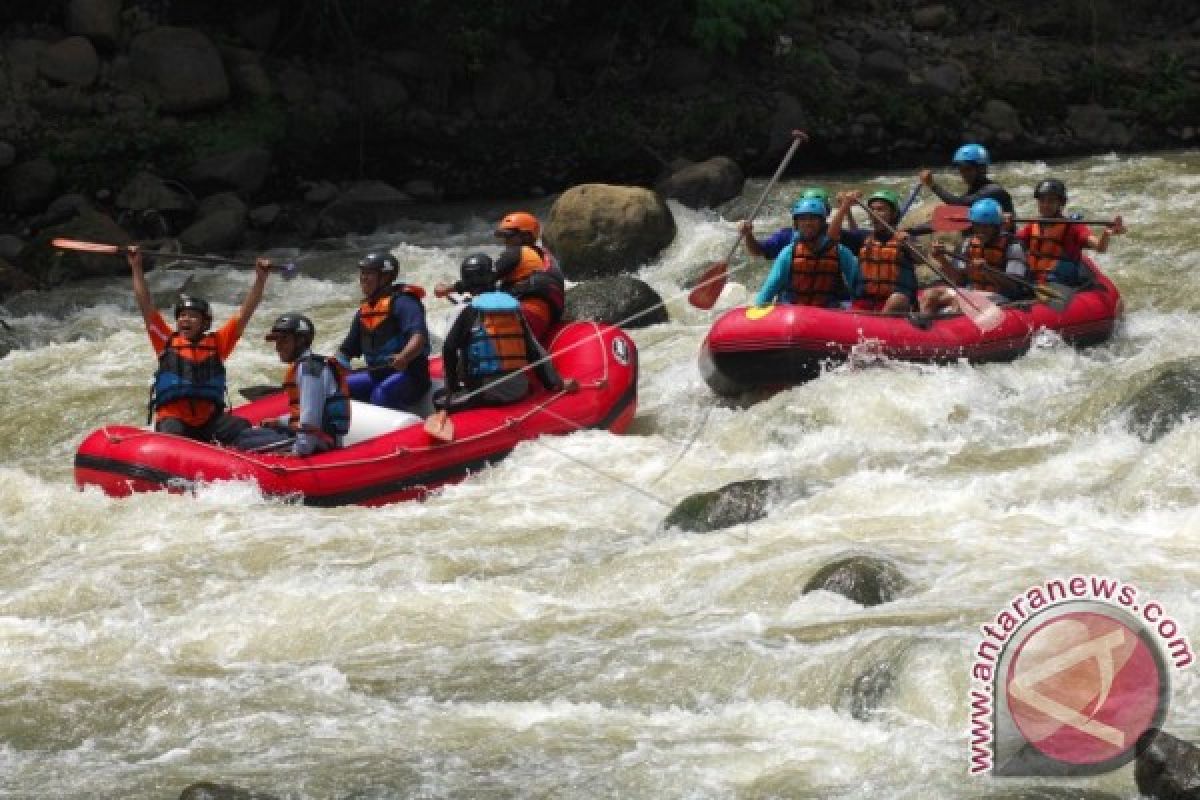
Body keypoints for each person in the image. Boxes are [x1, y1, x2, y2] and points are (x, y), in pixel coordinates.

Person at [129, 247, 270, 443]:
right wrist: (136, 267)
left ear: (205, 323)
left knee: (240, 427)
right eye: (182, 316)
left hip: (208, 421)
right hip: (174, 420)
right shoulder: (165, 340)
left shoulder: (218, 342)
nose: (185, 320)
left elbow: (245, 313)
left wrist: (260, 279)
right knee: (174, 435)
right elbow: (145, 304)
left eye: (193, 316)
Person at [433, 253, 574, 415]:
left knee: (439, 398)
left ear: (466, 283)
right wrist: (555, 384)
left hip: (485, 392)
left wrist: (453, 389)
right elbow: (535, 352)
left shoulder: (469, 311)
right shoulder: (514, 309)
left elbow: (449, 350)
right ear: (493, 277)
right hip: (518, 390)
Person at [234, 313, 352, 456]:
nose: (278, 347)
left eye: (284, 340)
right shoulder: (306, 365)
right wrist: (279, 422)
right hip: (314, 436)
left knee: (243, 443)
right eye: (277, 341)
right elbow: (305, 416)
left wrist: (297, 452)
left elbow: (310, 420)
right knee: (246, 434)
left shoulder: (310, 371)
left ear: (301, 340)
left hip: (318, 443)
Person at [336, 252, 431, 410]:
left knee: (381, 394)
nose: (363, 278)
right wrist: (330, 368)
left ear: (386, 277)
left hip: (410, 376)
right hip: (376, 375)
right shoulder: (364, 311)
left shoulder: (404, 302)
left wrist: (404, 357)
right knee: (338, 389)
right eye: (362, 273)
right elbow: (346, 351)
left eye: (369, 274)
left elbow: (418, 337)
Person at [919, 198, 1028, 316]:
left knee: (962, 300)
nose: (980, 231)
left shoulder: (1012, 246)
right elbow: (959, 280)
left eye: (986, 227)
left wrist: (989, 272)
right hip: (972, 292)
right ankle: (923, 329)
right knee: (930, 295)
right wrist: (942, 260)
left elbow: (1014, 287)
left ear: (996, 226)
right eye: (977, 226)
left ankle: (952, 329)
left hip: (1002, 298)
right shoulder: (968, 243)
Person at [1015, 178, 1126, 287]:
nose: (1045, 205)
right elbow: (1013, 241)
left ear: (1061, 203)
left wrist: (1106, 233)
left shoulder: (1073, 227)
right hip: (1033, 279)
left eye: (1051, 201)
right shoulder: (1032, 225)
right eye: (1042, 201)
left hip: (1059, 282)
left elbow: (1100, 247)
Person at [753, 196, 861, 307]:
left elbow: (857, 285)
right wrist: (759, 308)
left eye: (813, 218)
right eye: (803, 219)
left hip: (828, 312)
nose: (808, 223)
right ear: (796, 224)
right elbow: (770, 287)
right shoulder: (788, 253)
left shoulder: (840, 252)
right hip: (794, 311)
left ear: (822, 223)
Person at [832, 189, 917, 313]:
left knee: (897, 299)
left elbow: (920, 259)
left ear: (893, 214)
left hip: (895, 306)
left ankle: (880, 324)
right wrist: (845, 206)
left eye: (880, 209)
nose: (875, 213)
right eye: (872, 209)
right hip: (865, 304)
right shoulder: (863, 238)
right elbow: (832, 236)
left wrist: (909, 244)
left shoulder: (905, 238)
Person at [490, 211, 565, 342]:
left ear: (526, 237)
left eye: (509, 237)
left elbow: (483, 276)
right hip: (543, 319)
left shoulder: (518, 252)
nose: (505, 242)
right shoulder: (544, 256)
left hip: (522, 315)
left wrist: (452, 288)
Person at [909, 143, 1014, 235]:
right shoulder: (973, 192)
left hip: (1002, 246)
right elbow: (949, 217)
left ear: (982, 168)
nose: (964, 174)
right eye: (961, 170)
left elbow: (958, 205)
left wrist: (933, 185)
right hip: (979, 246)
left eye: (968, 169)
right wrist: (911, 231)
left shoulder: (993, 191)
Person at [739, 187, 867, 259]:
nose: (808, 222)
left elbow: (859, 238)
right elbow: (758, 251)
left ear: (824, 214)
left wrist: (847, 209)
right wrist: (748, 235)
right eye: (804, 216)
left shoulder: (837, 236)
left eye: (813, 216)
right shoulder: (786, 236)